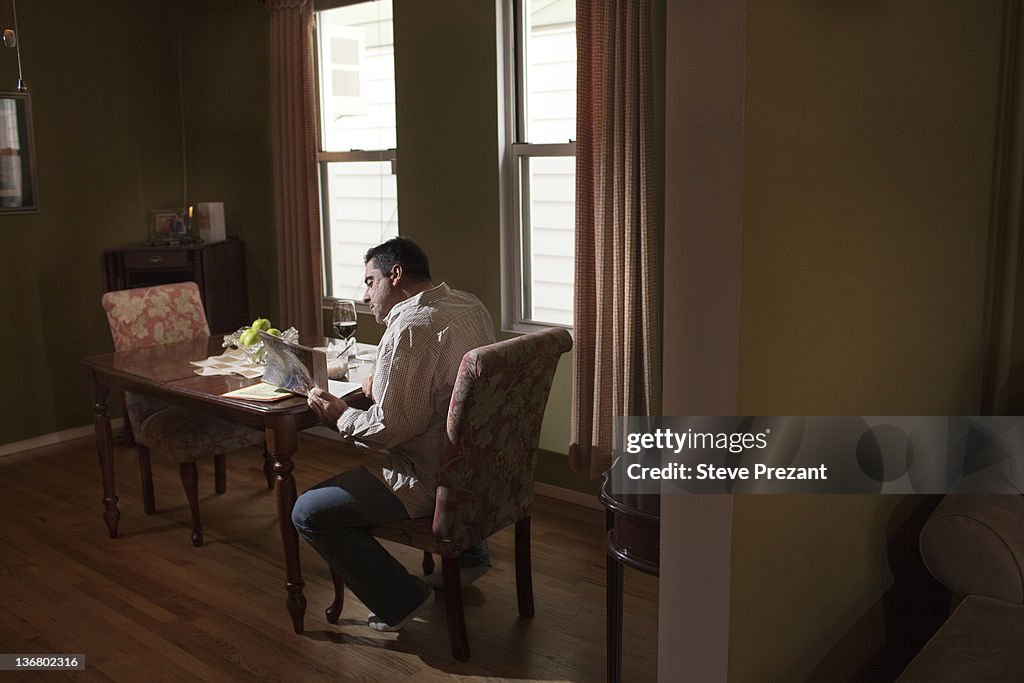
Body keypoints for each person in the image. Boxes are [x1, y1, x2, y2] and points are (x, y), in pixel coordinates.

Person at [293, 237, 496, 632]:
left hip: (431, 478)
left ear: (396, 275)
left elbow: (392, 429)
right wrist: (383, 386)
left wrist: (341, 416)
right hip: (482, 466)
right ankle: (471, 557)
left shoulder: (410, 327)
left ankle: (401, 598)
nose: (366, 295)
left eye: (370, 282)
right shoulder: (468, 305)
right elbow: (444, 386)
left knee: (309, 511)